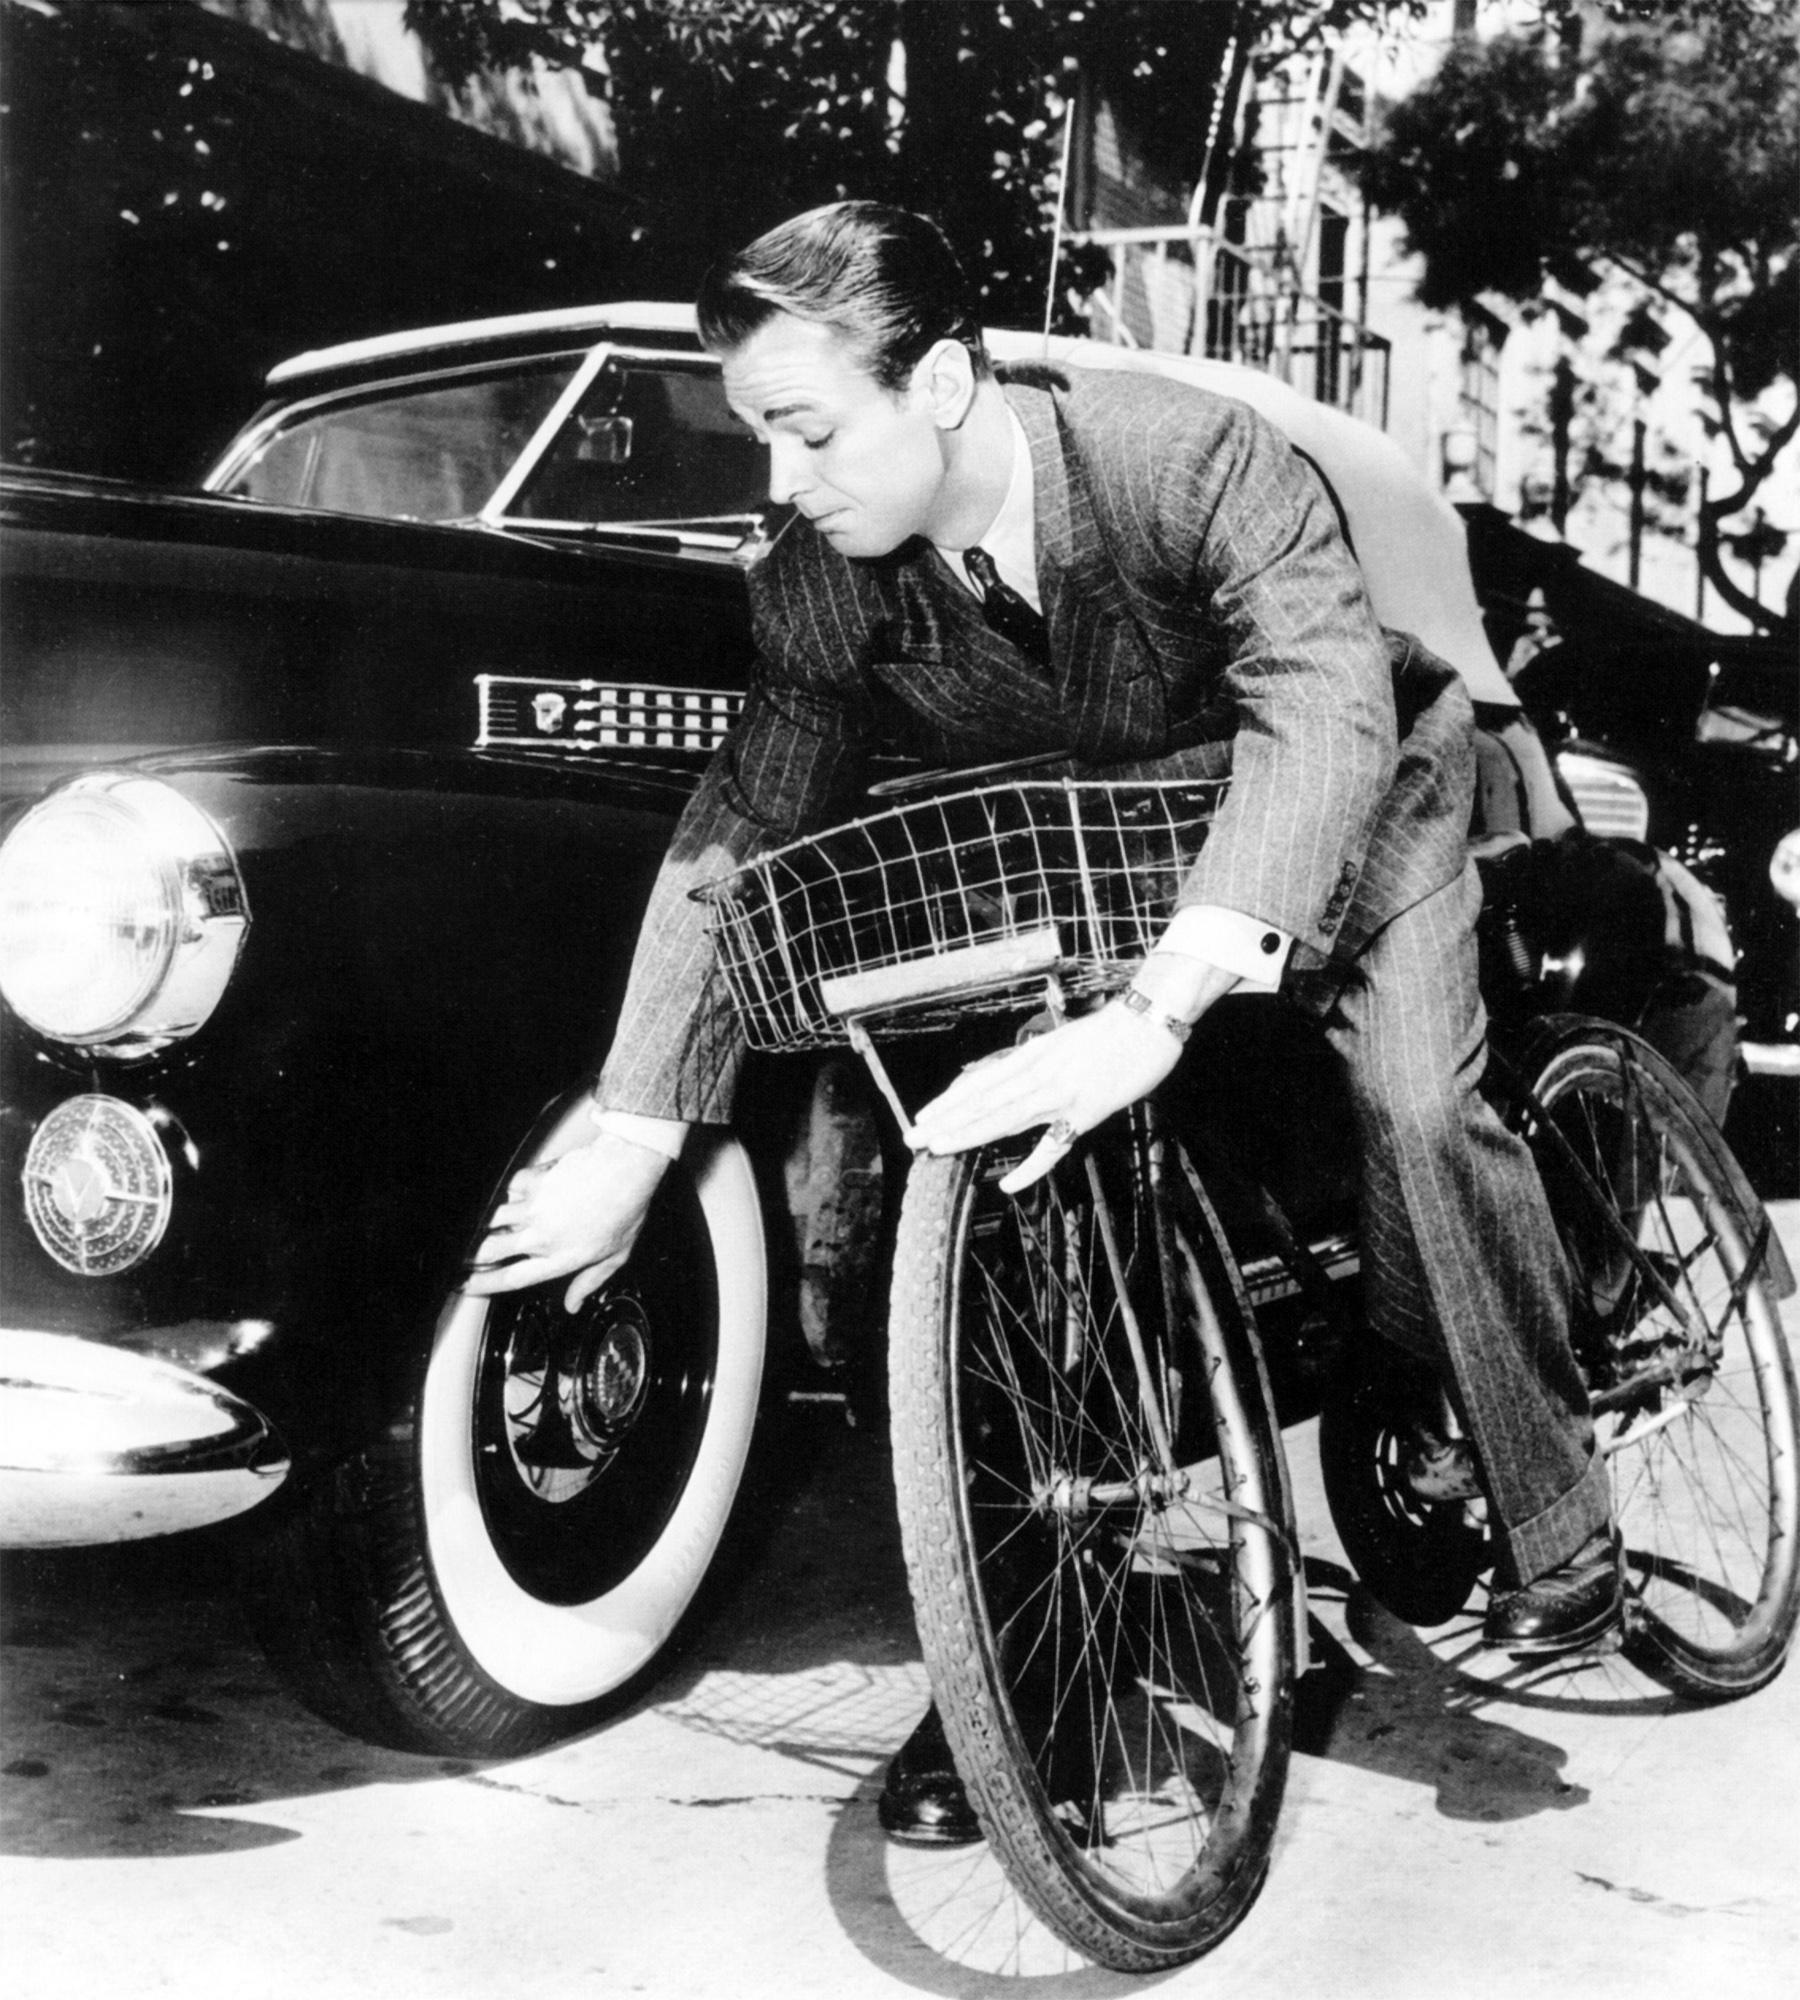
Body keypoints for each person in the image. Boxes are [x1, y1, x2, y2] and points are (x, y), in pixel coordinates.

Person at [466, 201, 1621, 1845]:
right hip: (1097, 855)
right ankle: (1023, 1674)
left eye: (808, 429)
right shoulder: (815, 583)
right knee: (986, 1206)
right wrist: (637, 1137)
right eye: (761, 437)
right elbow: (744, 827)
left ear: (939, 383)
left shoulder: (1188, 460)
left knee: (1413, 1110)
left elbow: (1317, 714)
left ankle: (1563, 1522)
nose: (781, 482)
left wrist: (1158, 1011)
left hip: (1359, 806)